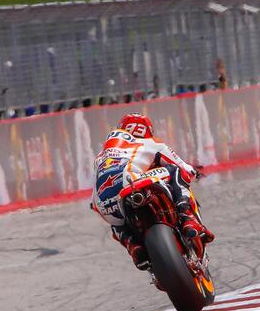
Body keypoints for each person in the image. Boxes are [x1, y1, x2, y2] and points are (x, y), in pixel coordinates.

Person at [91, 113, 214, 269]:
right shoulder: (148, 143)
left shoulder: (101, 155)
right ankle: (188, 217)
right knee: (174, 170)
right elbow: (183, 167)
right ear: (147, 130)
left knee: (116, 221)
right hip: (134, 181)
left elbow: (93, 200)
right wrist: (195, 171)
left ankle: (132, 245)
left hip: (104, 201)